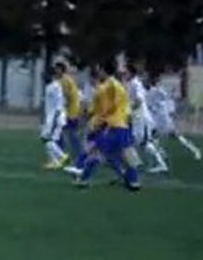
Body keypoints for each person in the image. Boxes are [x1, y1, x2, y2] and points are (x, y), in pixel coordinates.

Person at [72, 60, 141, 190]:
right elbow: (123, 106)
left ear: (104, 71)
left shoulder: (105, 88)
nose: (98, 73)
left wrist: (96, 123)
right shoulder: (119, 86)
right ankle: (134, 181)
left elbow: (104, 110)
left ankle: (84, 179)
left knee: (98, 153)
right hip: (123, 124)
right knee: (126, 154)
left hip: (111, 125)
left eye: (100, 70)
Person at [123, 63, 167, 173]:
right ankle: (138, 163)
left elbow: (139, 100)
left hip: (140, 119)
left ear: (131, 73)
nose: (124, 74)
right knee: (139, 143)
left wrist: (128, 110)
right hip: (137, 118)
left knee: (137, 142)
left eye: (126, 72)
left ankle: (139, 163)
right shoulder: (130, 83)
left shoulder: (135, 84)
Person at [147, 73, 202, 162]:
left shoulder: (154, 91)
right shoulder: (156, 91)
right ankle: (162, 153)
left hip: (163, 119)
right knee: (154, 137)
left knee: (173, 136)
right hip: (158, 119)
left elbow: (166, 100)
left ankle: (194, 150)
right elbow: (168, 99)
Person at [41, 66, 69, 169]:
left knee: (47, 138)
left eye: (46, 75)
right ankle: (55, 161)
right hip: (52, 117)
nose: (44, 77)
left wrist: (55, 117)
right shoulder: (51, 86)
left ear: (52, 75)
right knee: (46, 139)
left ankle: (62, 156)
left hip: (55, 117)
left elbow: (58, 104)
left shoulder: (54, 87)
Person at [56, 62, 83, 166]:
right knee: (66, 134)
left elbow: (66, 96)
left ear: (61, 70)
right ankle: (68, 156)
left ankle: (76, 157)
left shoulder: (64, 80)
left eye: (58, 69)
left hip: (70, 112)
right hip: (71, 111)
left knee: (69, 135)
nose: (56, 71)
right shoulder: (66, 79)